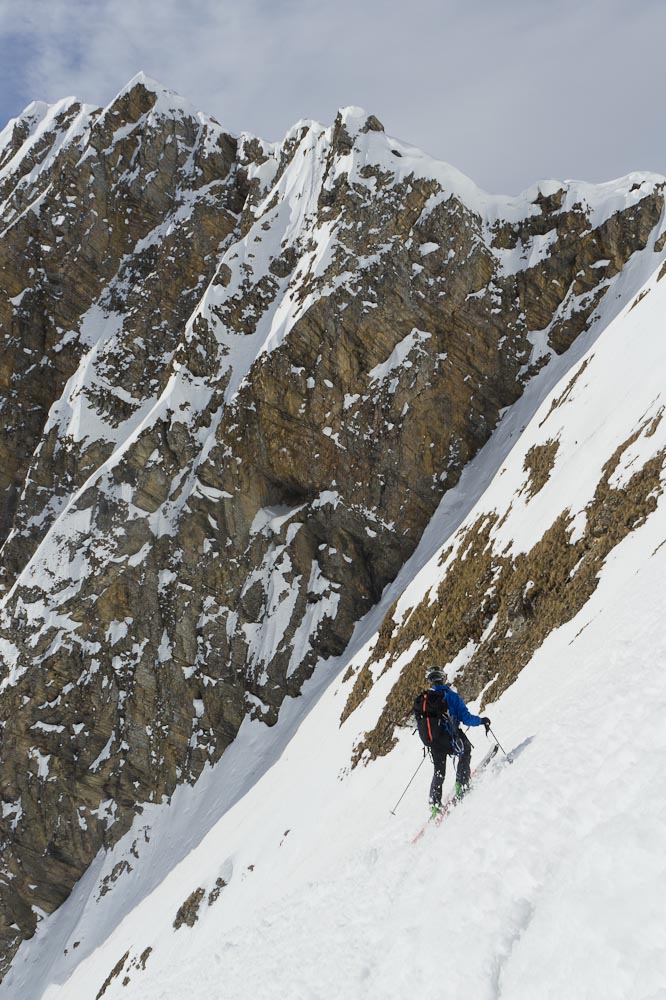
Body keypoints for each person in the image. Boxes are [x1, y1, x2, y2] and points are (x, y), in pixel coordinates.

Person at [423, 667, 490, 815]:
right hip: (451, 737)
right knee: (465, 750)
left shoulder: (426, 699)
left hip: (434, 742)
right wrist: (481, 721)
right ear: (443, 679)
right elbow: (466, 718)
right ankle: (462, 783)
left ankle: (434, 804)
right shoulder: (451, 696)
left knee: (439, 771)